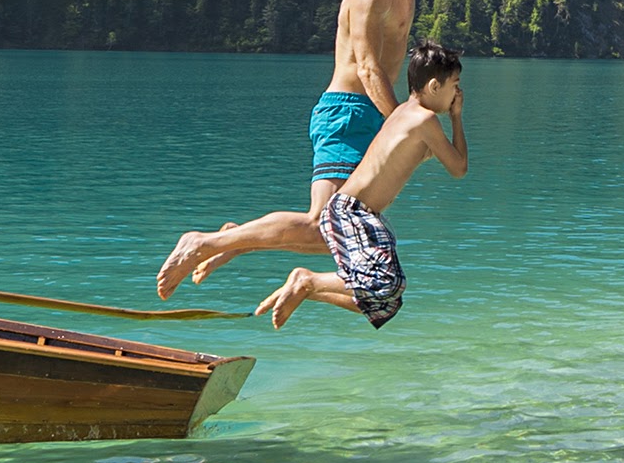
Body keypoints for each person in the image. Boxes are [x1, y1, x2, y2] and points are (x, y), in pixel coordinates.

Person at [158, 0, 516, 297]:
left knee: (335, 233)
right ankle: (207, 242)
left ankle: (236, 239)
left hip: (376, 113)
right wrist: (399, 124)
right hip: (347, 113)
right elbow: (367, 69)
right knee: (321, 226)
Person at [161, 42, 468, 329]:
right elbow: (458, 168)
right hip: (353, 211)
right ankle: (304, 280)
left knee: (387, 302)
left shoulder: (403, 114)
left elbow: (424, 154)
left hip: (362, 214)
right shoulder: (425, 120)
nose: (457, 94)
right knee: (383, 283)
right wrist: (457, 118)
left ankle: (304, 285)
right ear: (434, 86)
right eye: (454, 86)